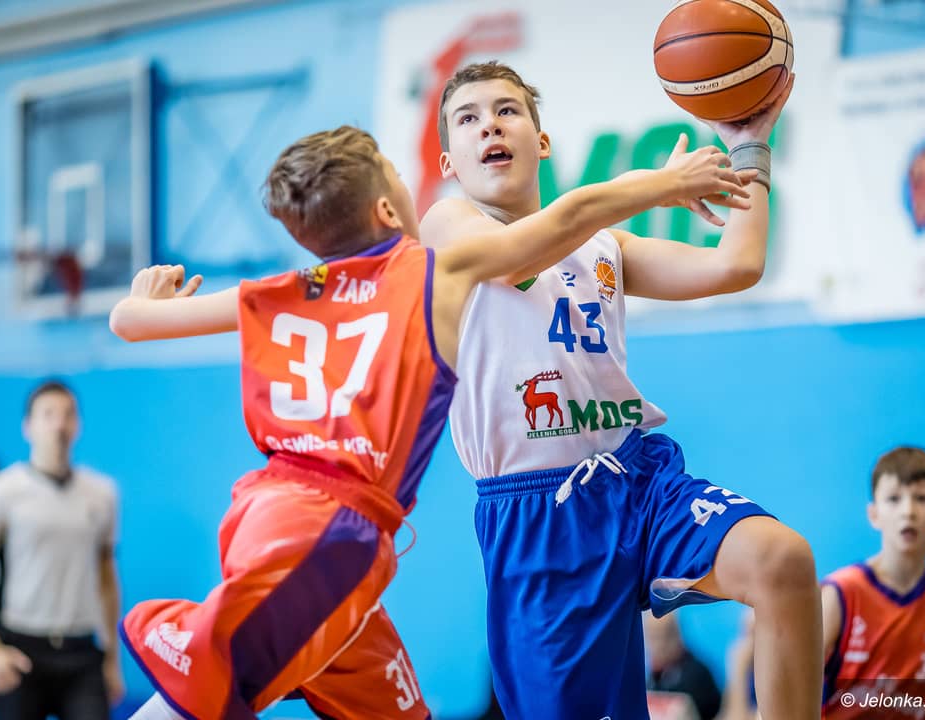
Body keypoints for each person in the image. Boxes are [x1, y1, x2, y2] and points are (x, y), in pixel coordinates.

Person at [106, 124, 749, 720]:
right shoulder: (427, 273)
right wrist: (663, 183)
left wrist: (143, 299)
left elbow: (131, 323)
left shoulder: (283, 290)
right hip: (328, 530)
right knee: (214, 682)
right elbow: (569, 217)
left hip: (277, 509)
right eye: (396, 171)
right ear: (389, 211)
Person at [419, 61, 821, 720]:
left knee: (783, 561)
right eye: (469, 118)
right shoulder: (447, 228)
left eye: (507, 110)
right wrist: (659, 184)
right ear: (449, 162)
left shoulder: (603, 245)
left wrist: (751, 145)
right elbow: (522, 256)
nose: (489, 124)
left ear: (541, 142)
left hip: (635, 481)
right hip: (538, 516)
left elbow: (737, 264)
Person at [0, 381, 124, 720]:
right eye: (48, 414)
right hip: (21, 650)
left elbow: (107, 580)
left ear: (78, 425)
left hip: (80, 650)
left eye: (68, 414)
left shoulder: (102, 493)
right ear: (28, 426)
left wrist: (111, 659)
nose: (59, 423)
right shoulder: (0, 492)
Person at [821, 447, 925, 718]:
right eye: (894, 499)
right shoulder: (840, 594)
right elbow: (789, 677)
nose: (908, 511)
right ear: (874, 514)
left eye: (922, 498)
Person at [644, 611, 723, 720]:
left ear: (677, 634)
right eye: (653, 637)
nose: (659, 645)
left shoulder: (697, 675)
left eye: (665, 636)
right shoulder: (652, 676)